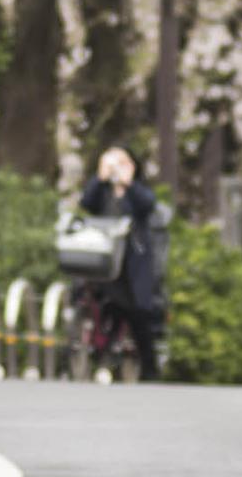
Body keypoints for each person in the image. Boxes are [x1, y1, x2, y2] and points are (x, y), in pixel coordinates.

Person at [80, 146, 159, 381]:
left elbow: (148, 205)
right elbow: (87, 202)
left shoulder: (137, 191)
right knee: (106, 307)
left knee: (138, 314)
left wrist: (128, 183)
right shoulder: (102, 192)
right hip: (104, 261)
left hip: (132, 262)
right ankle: (103, 358)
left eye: (121, 162)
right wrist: (100, 176)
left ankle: (148, 367)